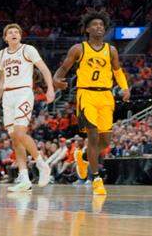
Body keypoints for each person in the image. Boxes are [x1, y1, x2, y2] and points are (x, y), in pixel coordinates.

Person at [52, 10, 131, 196]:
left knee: (105, 141)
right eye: (95, 25)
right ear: (87, 29)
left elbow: (117, 70)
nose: (99, 27)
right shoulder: (79, 49)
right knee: (93, 137)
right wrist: (57, 79)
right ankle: (95, 178)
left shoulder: (111, 50)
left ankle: (84, 157)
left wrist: (125, 87)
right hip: (86, 94)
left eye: (101, 25)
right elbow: (63, 69)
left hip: (106, 96)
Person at [0, 23, 56, 192]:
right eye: (10, 32)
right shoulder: (1, 54)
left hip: (23, 93)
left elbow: (44, 69)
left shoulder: (28, 50)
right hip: (7, 96)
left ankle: (42, 164)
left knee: (20, 133)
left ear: (20, 36)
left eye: (16, 32)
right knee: (14, 138)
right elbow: (0, 81)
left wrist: (50, 88)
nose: (13, 34)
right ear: (5, 38)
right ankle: (24, 178)